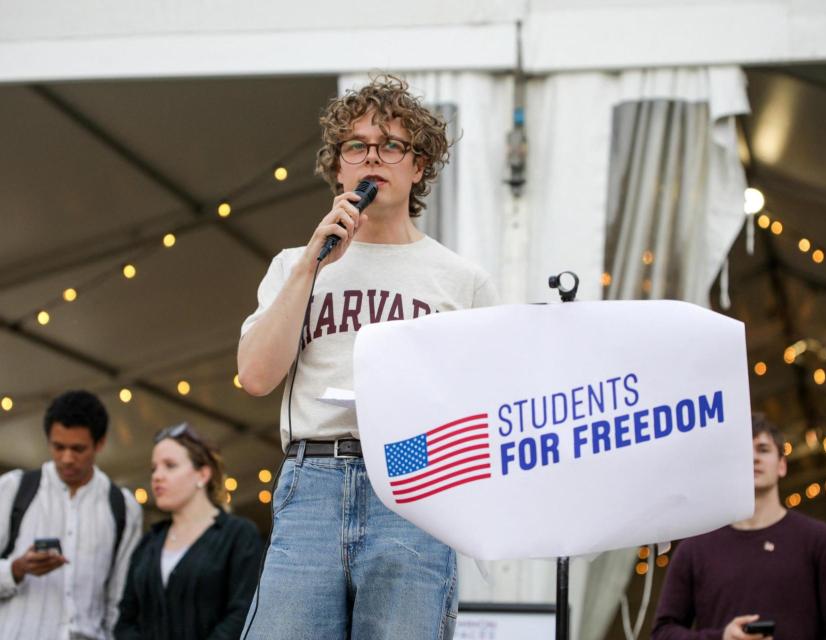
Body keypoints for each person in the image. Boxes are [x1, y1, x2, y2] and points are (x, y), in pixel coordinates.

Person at [237, 75, 498, 639]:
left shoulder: (462, 280)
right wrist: (311, 265)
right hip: (314, 477)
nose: (371, 157)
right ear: (338, 168)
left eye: (391, 146)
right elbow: (255, 376)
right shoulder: (294, 265)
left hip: (415, 474)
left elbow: (482, 411)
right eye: (355, 146)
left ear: (419, 165)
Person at [651, 413, 826, 640]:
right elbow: (662, 633)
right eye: (742, 452)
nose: (753, 458)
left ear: (782, 465)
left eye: (763, 449)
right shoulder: (694, 550)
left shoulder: (821, 542)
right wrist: (721, 638)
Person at [0, 389, 143, 639]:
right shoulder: (13, 488)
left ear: (100, 444)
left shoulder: (124, 506)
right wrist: (16, 569)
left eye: (78, 449)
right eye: (58, 447)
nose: (66, 458)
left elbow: (119, 600)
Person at [115, 422, 262, 640]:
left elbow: (243, 614)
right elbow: (125, 621)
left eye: (170, 465)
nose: (157, 476)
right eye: (154, 468)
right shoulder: (149, 544)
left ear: (202, 474)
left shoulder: (239, 535)